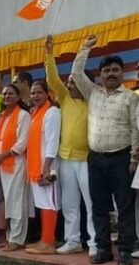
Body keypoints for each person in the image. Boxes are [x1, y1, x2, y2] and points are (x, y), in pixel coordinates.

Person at [72, 35, 139, 265]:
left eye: (115, 70)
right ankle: (103, 249)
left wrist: (134, 158)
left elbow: (135, 129)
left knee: (125, 207)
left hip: (122, 159)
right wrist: (85, 48)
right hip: (96, 160)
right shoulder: (92, 93)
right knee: (98, 206)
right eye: (106, 70)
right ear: (100, 75)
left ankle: (126, 251)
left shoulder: (131, 97)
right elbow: (77, 72)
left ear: (122, 73)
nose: (111, 73)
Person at [44, 35, 97, 256]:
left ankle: (95, 243)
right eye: (69, 83)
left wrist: (85, 48)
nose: (69, 85)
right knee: (70, 203)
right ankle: (72, 240)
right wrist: (49, 54)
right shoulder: (65, 99)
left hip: (86, 159)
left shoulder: (93, 99)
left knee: (92, 203)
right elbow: (53, 79)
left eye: (73, 82)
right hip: (66, 159)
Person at [24, 80, 62, 255]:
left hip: (47, 165)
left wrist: (46, 168)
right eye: (32, 93)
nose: (35, 96)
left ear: (47, 94)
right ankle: (45, 239)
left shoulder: (52, 112)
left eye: (39, 92)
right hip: (35, 166)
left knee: (49, 203)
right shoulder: (35, 113)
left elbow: (52, 142)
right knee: (42, 203)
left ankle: (48, 242)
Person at [0, 84, 32, 251]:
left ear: (17, 97)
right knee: (9, 202)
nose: (7, 96)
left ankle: (17, 239)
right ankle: (10, 237)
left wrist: (3, 155)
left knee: (17, 202)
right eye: (4, 94)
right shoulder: (2, 116)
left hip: (16, 163)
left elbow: (22, 142)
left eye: (10, 94)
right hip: (4, 166)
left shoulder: (23, 115)